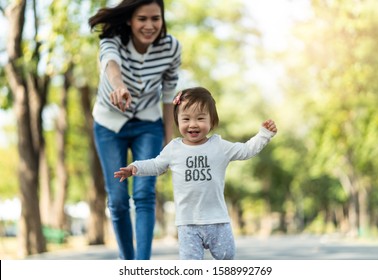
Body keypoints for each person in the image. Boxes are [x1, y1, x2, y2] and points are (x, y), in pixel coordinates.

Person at [114, 87, 277, 260]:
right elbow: (156, 165)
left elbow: (246, 150)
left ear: (212, 121)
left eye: (200, 118)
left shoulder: (219, 147)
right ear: (177, 120)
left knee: (227, 257)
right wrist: (135, 168)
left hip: (217, 220)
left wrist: (264, 135)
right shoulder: (174, 149)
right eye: (186, 119)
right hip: (187, 223)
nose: (193, 124)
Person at [88, 0, 181, 260]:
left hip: (147, 124)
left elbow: (169, 94)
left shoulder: (171, 48)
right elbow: (111, 65)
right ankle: (127, 263)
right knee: (117, 199)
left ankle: (142, 267)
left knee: (144, 193)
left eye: (155, 18)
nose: (149, 25)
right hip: (109, 124)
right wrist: (119, 86)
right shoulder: (112, 39)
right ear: (130, 19)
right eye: (142, 19)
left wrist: (168, 137)